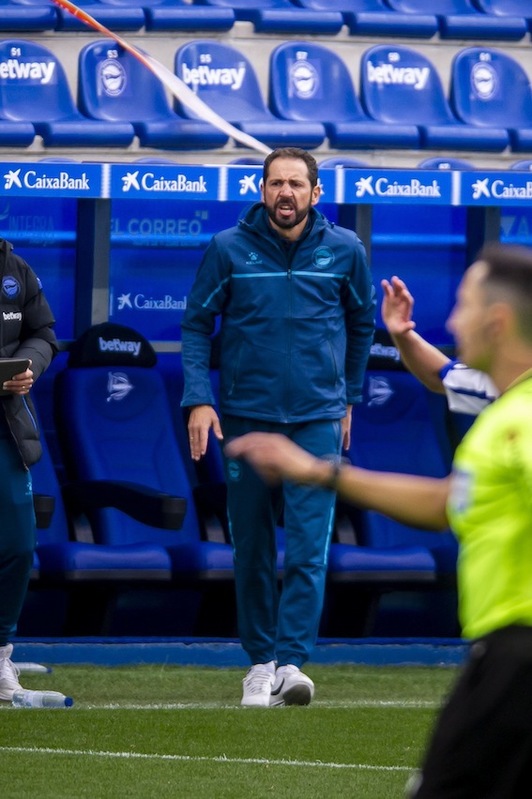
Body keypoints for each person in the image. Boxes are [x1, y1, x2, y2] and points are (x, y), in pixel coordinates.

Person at [226, 242, 532, 797]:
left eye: (462, 305)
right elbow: (446, 504)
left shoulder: (524, 417)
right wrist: (319, 472)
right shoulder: (501, 398)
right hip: (503, 652)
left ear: (498, 322)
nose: (452, 320)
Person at [181, 147, 376, 707]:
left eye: (295, 184)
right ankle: (260, 663)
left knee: (311, 548)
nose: (284, 193)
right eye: (275, 183)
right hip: (246, 419)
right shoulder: (228, 248)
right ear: (262, 190)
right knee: (253, 548)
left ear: (316, 193)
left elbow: (362, 324)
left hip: (317, 420)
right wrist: (200, 398)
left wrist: (349, 398)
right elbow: (196, 326)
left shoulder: (345, 250)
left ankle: (292, 663)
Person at [0, 238, 58, 702]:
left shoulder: (15, 267)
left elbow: (44, 333)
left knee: (18, 545)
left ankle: (0, 655)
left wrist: (29, 368)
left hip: (6, 425)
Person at [381, 274, 498, 415]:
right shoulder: (500, 384)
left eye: (467, 306)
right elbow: (439, 376)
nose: (453, 324)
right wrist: (402, 334)